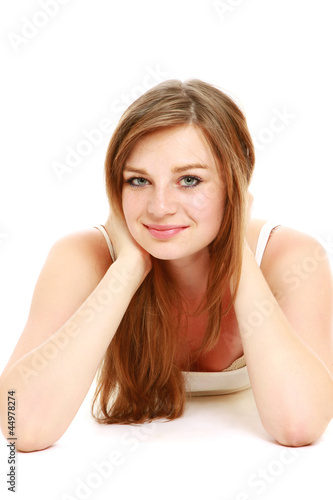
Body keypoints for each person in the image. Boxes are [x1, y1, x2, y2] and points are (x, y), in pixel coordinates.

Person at [0, 79, 332, 453]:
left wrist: (237, 256)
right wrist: (127, 269)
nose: (159, 207)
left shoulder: (290, 258)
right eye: (139, 180)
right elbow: (21, 427)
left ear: (234, 184)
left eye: (189, 180)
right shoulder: (83, 257)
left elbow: (300, 425)